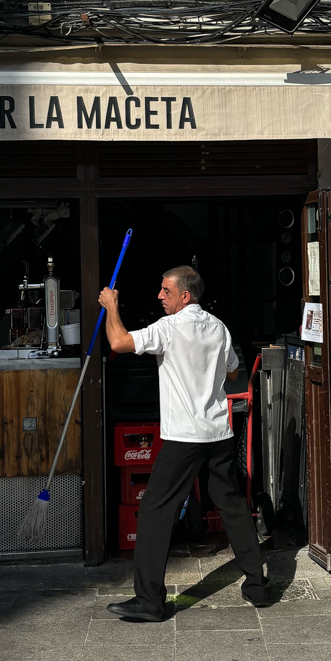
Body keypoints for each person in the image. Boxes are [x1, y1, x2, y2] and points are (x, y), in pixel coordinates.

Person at [98, 265, 269, 622]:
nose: (160, 296)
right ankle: (257, 585)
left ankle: (150, 601)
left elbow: (118, 342)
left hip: (184, 437)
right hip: (218, 432)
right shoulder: (218, 327)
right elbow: (232, 371)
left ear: (185, 296)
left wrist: (111, 306)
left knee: (155, 509)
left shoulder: (169, 328)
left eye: (167, 291)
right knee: (232, 505)